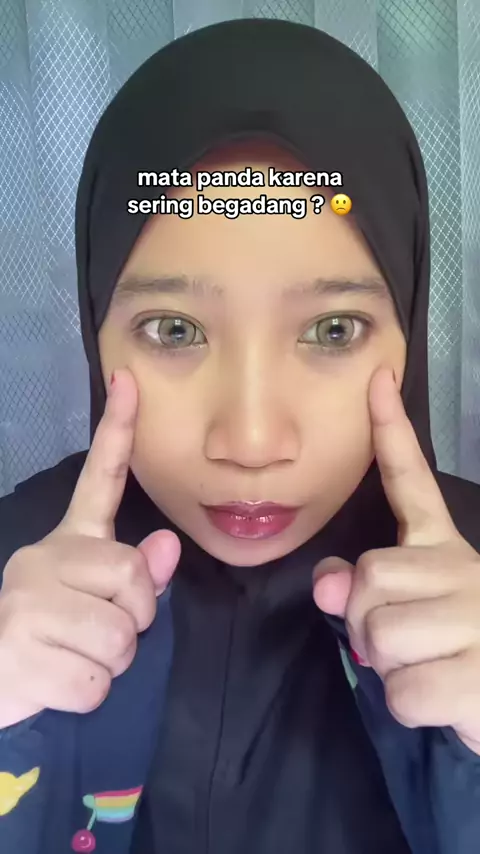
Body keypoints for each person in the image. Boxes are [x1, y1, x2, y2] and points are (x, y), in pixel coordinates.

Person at [0, 16, 479, 854]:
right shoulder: (13, 568)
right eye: (174, 330)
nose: (251, 442)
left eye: (332, 330)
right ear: (94, 325)